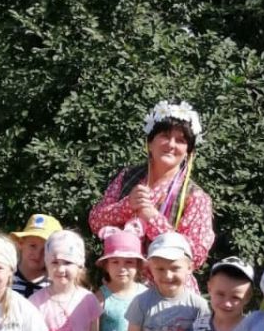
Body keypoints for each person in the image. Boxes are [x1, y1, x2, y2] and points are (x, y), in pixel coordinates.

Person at [89, 100, 214, 278]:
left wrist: (153, 220)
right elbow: (95, 222)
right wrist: (126, 206)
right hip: (122, 283)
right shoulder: (127, 176)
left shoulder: (196, 197)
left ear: (188, 152)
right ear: (149, 142)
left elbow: (196, 255)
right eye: (165, 136)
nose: (171, 144)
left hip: (166, 287)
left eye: (180, 140)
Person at [11, 213, 62, 299]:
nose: (37, 254)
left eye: (45, 250)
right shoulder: (6, 277)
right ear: (21, 243)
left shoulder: (54, 284)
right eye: (33, 246)